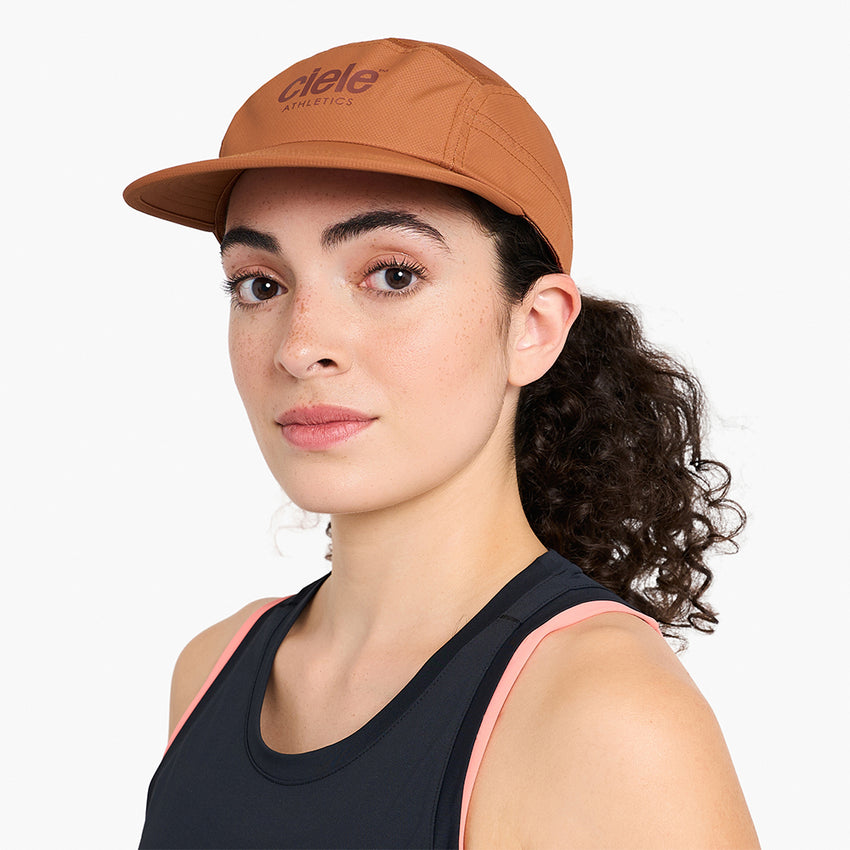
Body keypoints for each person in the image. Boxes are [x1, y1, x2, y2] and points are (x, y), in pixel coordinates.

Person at [124, 38, 759, 849]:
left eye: (392, 274)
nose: (299, 347)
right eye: (261, 284)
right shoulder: (212, 668)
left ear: (533, 328)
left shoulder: (605, 714)